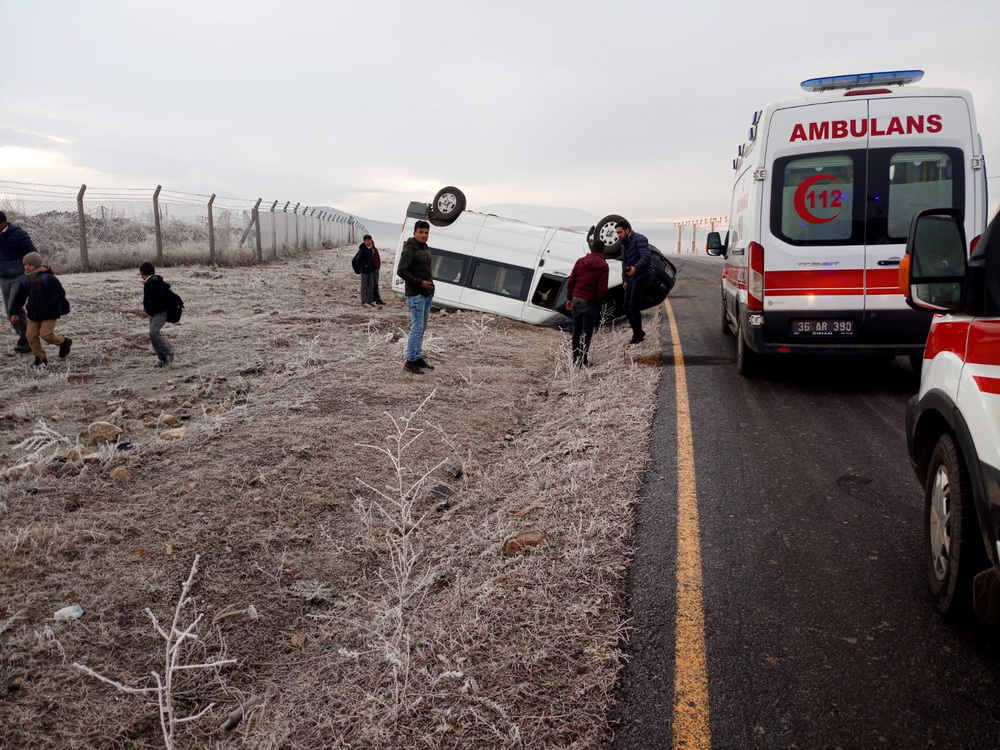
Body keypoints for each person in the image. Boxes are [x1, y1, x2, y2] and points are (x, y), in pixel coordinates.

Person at [8, 252, 72, 370]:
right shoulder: (26, 280)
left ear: (37, 265)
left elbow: (59, 293)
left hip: (49, 313)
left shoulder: (48, 278)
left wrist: (51, 306)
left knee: (46, 335)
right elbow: (19, 297)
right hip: (33, 313)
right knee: (30, 336)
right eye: (25, 264)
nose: (26, 267)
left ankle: (64, 342)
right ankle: (40, 358)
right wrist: (14, 312)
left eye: (30, 264)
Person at [396, 220, 435, 374]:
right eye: (421, 232)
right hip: (416, 294)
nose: (423, 235)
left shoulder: (425, 248)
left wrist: (430, 286)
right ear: (414, 233)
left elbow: (426, 269)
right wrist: (419, 283)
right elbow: (402, 271)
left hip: (426, 294)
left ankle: (418, 357)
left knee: (422, 327)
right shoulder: (409, 250)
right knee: (417, 328)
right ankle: (410, 360)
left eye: (426, 233)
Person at [566, 239, 609, 367]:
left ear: (591, 249)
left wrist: (569, 298)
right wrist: (599, 303)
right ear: (603, 250)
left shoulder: (580, 261)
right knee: (587, 333)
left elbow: (571, 282)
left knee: (576, 331)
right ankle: (583, 361)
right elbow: (602, 289)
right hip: (590, 302)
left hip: (576, 299)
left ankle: (575, 360)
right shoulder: (603, 266)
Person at [0, 211, 37, 354]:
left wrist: (32, 273)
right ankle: (26, 337)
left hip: (19, 277)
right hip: (3, 277)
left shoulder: (19, 235)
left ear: (3, 223)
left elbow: (33, 254)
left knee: (13, 308)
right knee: (10, 312)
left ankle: (26, 339)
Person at [615, 219, 653, 344]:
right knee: (626, 306)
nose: (618, 235)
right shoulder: (624, 243)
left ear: (627, 230)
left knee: (633, 306)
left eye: (620, 232)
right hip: (631, 278)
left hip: (642, 275)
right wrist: (625, 279)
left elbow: (646, 256)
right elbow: (624, 263)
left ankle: (638, 336)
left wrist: (636, 267)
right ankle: (639, 332)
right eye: (617, 233)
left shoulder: (639, 239)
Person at [139, 261, 175, 368]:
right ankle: (162, 359)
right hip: (155, 313)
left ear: (141, 273)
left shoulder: (151, 284)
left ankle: (168, 352)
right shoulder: (153, 282)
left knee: (153, 333)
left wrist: (152, 309)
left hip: (159, 313)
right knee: (152, 335)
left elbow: (160, 299)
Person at [357, 234, 384, 307]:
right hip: (364, 271)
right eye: (367, 240)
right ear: (364, 241)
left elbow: (375, 259)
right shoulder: (362, 249)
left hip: (371, 270)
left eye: (370, 240)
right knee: (364, 286)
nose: (369, 241)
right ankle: (364, 301)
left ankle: (370, 300)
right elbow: (358, 260)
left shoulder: (372, 249)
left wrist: (376, 266)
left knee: (371, 285)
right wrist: (365, 265)